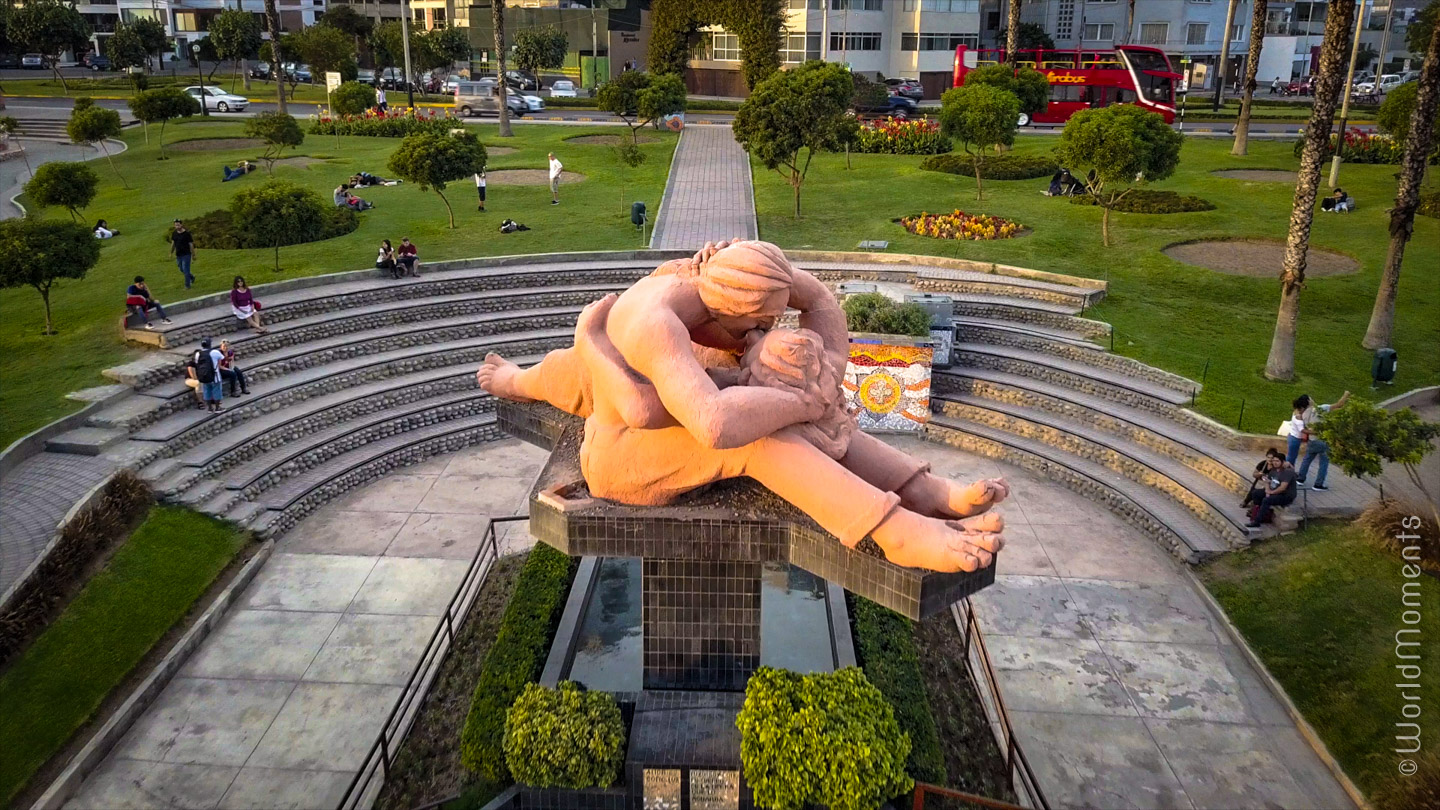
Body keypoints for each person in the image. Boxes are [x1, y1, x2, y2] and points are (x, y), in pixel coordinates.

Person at [477, 240, 1008, 573]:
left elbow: (819, 300)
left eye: (774, 320)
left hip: (679, 396)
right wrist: (800, 401)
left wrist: (825, 383)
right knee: (762, 438)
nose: (763, 332)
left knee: (792, 408)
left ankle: (924, 492)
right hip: (621, 458)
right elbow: (708, 422)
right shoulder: (653, 326)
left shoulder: (736, 275)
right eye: (756, 325)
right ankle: (897, 533)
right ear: (725, 311)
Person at [1296, 390, 1351, 491]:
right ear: (1309, 401)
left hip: (1312, 441)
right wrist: (1346, 395)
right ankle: (1318, 484)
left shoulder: (1303, 414)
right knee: (1324, 463)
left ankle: (1300, 479)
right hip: (1322, 441)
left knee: (1307, 460)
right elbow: (1339, 405)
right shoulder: (1320, 409)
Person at [1245, 453, 1297, 529]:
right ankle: (1258, 512)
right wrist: (1267, 490)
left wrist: (1271, 493)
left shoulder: (1288, 472)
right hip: (1273, 491)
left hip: (1285, 495)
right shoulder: (1273, 470)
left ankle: (1257, 522)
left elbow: (1282, 488)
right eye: (1273, 461)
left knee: (1267, 500)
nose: (1275, 463)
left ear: (1283, 462)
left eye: (1277, 461)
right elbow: (1267, 481)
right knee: (1255, 493)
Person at [194, 338, 225, 412]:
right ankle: (217, 408)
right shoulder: (215, 352)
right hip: (215, 376)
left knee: (207, 391)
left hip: (204, 375)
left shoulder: (198, 354)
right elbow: (222, 358)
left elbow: (197, 363)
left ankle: (210, 408)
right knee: (217, 391)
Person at [170, 219, 195, 289]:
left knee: (186, 269)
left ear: (181, 225)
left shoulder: (186, 234)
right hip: (179, 255)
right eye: (175, 225)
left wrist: (193, 254)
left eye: (178, 225)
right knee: (181, 269)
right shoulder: (174, 233)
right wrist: (171, 252)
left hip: (186, 254)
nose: (177, 226)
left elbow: (191, 244)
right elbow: (173, 243)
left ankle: (187, 285)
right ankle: (192, 277)